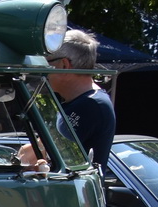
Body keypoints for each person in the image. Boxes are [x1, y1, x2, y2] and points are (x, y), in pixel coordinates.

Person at [48, 28, 115, 166]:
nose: (44, 71)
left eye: (47, 64)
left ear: (64, 65)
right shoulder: (78, 101)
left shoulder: (91, 105)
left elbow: (48, 152)